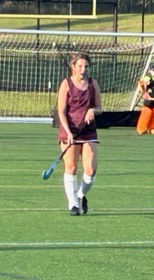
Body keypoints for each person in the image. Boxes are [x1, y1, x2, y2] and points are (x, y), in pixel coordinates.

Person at [57, 52, 103, 215]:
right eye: (80, 66)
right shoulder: (66, 84)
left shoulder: (92, 84)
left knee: (91, 170)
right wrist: (68, 132)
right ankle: (73, 204)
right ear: (73, 67)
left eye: (86, 66)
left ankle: (81, 194)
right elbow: (61, 111)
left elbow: (100, 108)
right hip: (70, 131)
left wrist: (92, 111)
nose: (83, 69)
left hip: (88, 131)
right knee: (71, 167)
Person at [136, 64, 154, 135]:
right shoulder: (147, 78)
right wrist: (144, 93)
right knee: (146, 111)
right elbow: (142, 87)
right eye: (152, 71)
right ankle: (142, 127)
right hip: (148, 99)